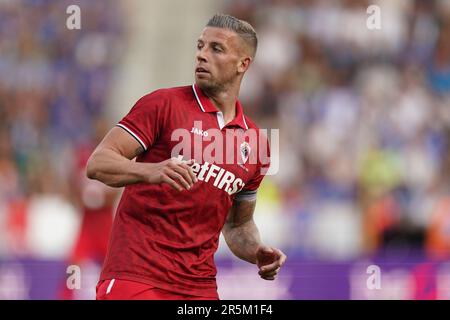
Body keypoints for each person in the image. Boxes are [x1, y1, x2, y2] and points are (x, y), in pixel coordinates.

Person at [87, 13, 287, 300]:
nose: (202, 56)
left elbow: (238, 224)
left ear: (243, 64)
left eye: (216, 49)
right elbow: (98, 163)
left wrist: (257, 252)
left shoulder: (256, 143)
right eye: (200, 46)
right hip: (137, 275)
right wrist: (150, 171)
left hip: (199, 288)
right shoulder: (162, 105)